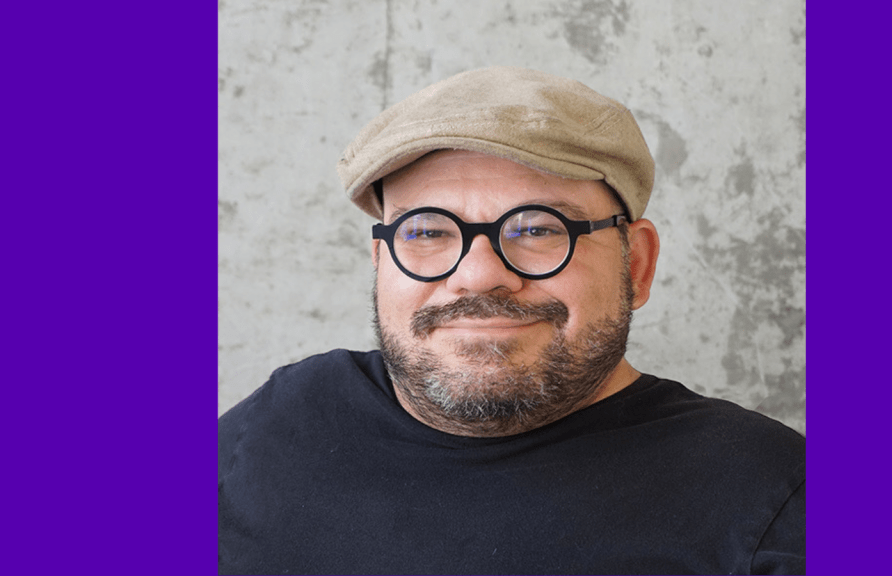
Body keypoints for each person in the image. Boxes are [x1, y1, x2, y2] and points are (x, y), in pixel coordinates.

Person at [218, 66, 805, 575]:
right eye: (426, 230)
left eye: (538, 228)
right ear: (381, 261)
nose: (478, 276)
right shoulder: (279, 426)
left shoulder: (770, 497)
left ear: (637, 265)